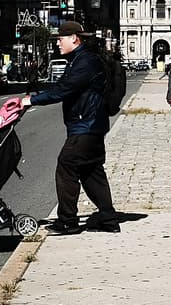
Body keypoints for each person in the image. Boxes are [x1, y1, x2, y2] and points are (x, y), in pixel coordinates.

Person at [20, 21, 120, 235]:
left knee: (66, 165)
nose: (58, 43)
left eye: (60, 38)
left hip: (87, 125)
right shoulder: (78, 60)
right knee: (91, 171)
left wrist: (31, 101)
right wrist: (35, 96)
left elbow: (64, 89)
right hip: (89, 125)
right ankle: (108, 219)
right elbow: (60, 86)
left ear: (74, 38)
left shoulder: (85, 62)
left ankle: (67, 221)